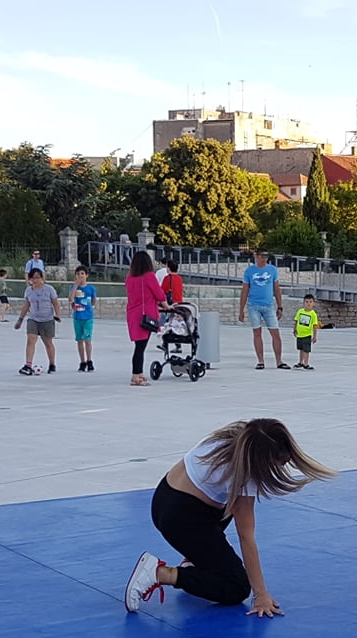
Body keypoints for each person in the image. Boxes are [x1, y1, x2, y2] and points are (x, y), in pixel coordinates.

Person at [124, 418, 336, 617]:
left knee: (225, 505)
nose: (284, 463)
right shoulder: (243, 474)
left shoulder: (234, 439)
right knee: (237, 588)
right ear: (263, 459)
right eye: (280, 460)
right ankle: (160, 573)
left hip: (166, 499)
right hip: (181, 518)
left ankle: (196, 562)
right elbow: (246, 537)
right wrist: (260, 594)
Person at [126, 250, 171, 386]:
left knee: (139, 346)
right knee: (140, 348)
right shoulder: (149, 276)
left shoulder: (129, 277)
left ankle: (138, 373)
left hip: (133, 314)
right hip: (145, 315)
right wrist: (167, 306)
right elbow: (159, 294)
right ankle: (136, 376)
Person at [239, 250, 290, 369]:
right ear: (256, 256)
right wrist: (241, 310)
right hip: (253, 306)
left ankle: (279, 360)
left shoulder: (272, 270)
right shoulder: (249, 271)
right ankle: (260, 361)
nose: (264, 258)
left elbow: (276, 289)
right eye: (262, 256)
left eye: (266, 256)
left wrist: (280, 306)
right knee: (257, 333)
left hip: (268, 306)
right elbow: (245, 291)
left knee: (275, 333)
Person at [14, 268, 61, 375]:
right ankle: (28, 365)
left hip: (47, 319)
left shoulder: (49, 289)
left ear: (42, 278)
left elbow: (55, 303)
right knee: (31, 340)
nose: (35, 280)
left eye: (37, 277)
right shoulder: (29, 291)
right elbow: (26, 305)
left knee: (48, 343)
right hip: (33, 319)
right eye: (33, 278)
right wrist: (20, 320)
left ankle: (52, 364)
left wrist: (57, 315)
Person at [68, 265, 97, 372]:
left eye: (82, 274)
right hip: (77, 317)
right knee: (79, 340)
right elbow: (70, 298)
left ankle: (89, 360)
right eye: (78, 274)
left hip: (88, 317)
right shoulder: (73, 287)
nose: (80, 276)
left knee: (87, 339)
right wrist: (75, 286)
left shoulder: (91, 288)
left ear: (86, 276)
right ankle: (82, 361)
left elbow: (94, 301)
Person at [293, 293, 321, 369]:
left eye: (310, 302)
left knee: (306, 350)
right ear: (303, 303)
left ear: (313, 303)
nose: (308, 304)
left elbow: (315, 326)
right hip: (299, 334)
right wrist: (294, 329)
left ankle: (306, 363)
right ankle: (300, 362)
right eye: (306, 302)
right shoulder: (300, 311)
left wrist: (315, 336)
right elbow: (296, 320)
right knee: (301, 349)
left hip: (307, 334)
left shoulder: (313, 314)